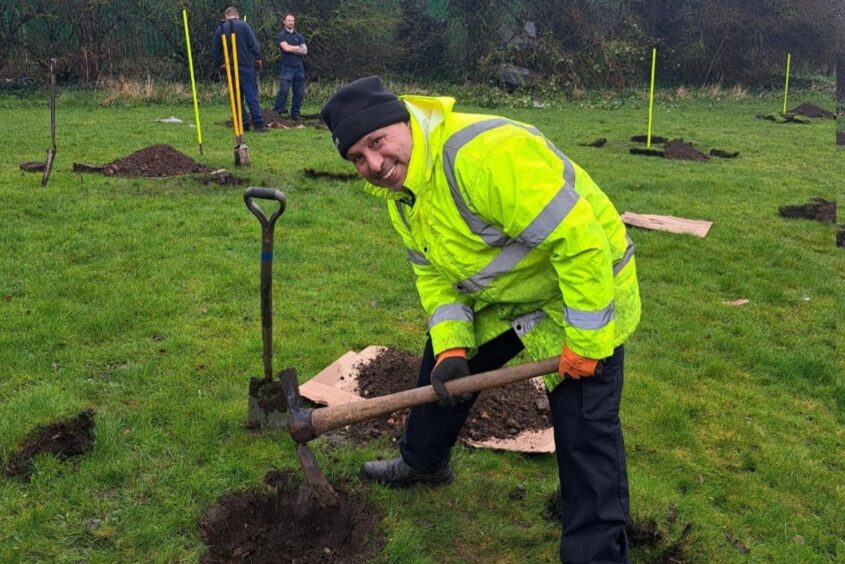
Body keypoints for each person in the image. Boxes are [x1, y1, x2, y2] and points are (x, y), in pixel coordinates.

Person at [320, 76, 641, 564]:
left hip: (582, 295)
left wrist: (587, 341)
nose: (375, 165)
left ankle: (595, 555)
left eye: (377, 143)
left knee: (585, 434)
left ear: (403, 121)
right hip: (510, 297)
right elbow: (434, 278)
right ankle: (423, 462)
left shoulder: (481, 156)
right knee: (443, 374)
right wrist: (451, 347)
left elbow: (581, 243)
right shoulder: (403, 196)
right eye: (357, 158)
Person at [213, 7, 269, 132]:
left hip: (230, 68)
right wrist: (258, 57)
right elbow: (253, 44)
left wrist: (220, 64)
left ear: (226, 16)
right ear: (237, 15)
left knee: (236, 96)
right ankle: (258, 123)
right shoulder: (244, 26)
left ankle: (243, 123)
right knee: (251, 95)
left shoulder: (220, 29)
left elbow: (217, 50)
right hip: (245, 66)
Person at [272, 13, 307, 120]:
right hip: (287, 68)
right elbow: (285, 48)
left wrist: (294, 49)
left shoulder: (299, 36)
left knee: (299, 93)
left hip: (299, 68)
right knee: (284, 91)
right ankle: (277, 112)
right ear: (284, 22)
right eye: (289, 20)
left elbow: (305, 50)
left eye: (292, 21)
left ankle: (295, 114)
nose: (291, 22)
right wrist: (297, 48)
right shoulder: (281, 35)